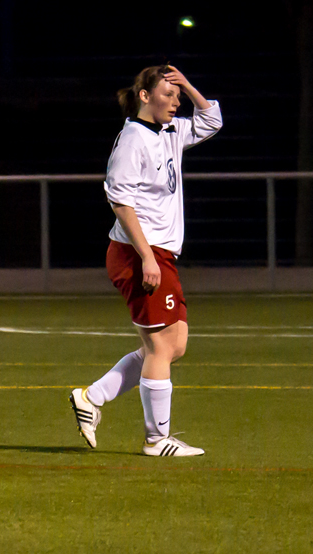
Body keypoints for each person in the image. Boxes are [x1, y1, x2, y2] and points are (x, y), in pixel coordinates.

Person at [69, 65, 222, 457]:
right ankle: (156, 439)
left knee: (174, 344)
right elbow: (120, 202)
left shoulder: (170, 132)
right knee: (161, 348)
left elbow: (212, 120)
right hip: (139, 254)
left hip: (158, 254)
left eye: (178, 96)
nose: (176, 102)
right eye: (168, 95)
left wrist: (186, 83)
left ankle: (91, 397)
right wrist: (147, 257)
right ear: (144, 96)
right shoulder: (131, 140)